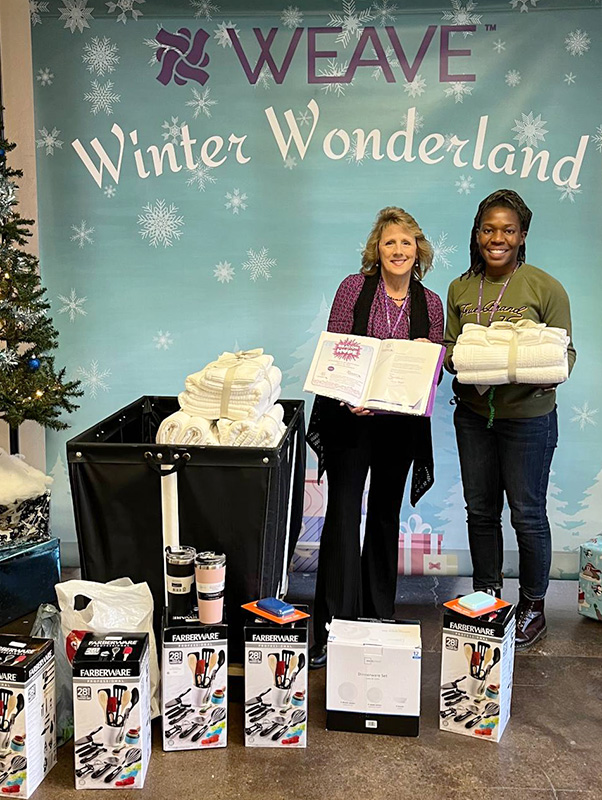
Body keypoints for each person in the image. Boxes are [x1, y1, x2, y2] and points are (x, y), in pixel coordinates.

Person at [306, 206, 444, 668]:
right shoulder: (353, 288)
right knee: (344, 513)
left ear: (418, 250)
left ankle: (376, 614)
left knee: (385, 514)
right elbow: (336, 348)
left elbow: (434, 379)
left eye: (406, 242)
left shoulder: (432, 304)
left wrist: (432, 358)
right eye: (390, 242)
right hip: (352, 418)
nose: (399, 250)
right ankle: (333, 624)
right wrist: (349, 395)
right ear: (377, 250)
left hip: (400, 426)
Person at [444, 189, 576, 650]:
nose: (496, 238)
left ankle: (534, 606)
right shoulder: (460, 288)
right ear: (476, 233)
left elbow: (566, 355)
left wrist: (535, 370)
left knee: (527, 514)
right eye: (488, 229)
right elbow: (450, 349)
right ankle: (487, 598)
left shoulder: (545, 287)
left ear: (522, 236)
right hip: (474, 417)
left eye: (508, 230)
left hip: (529, 421)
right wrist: (459, 363)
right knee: (481, 513)